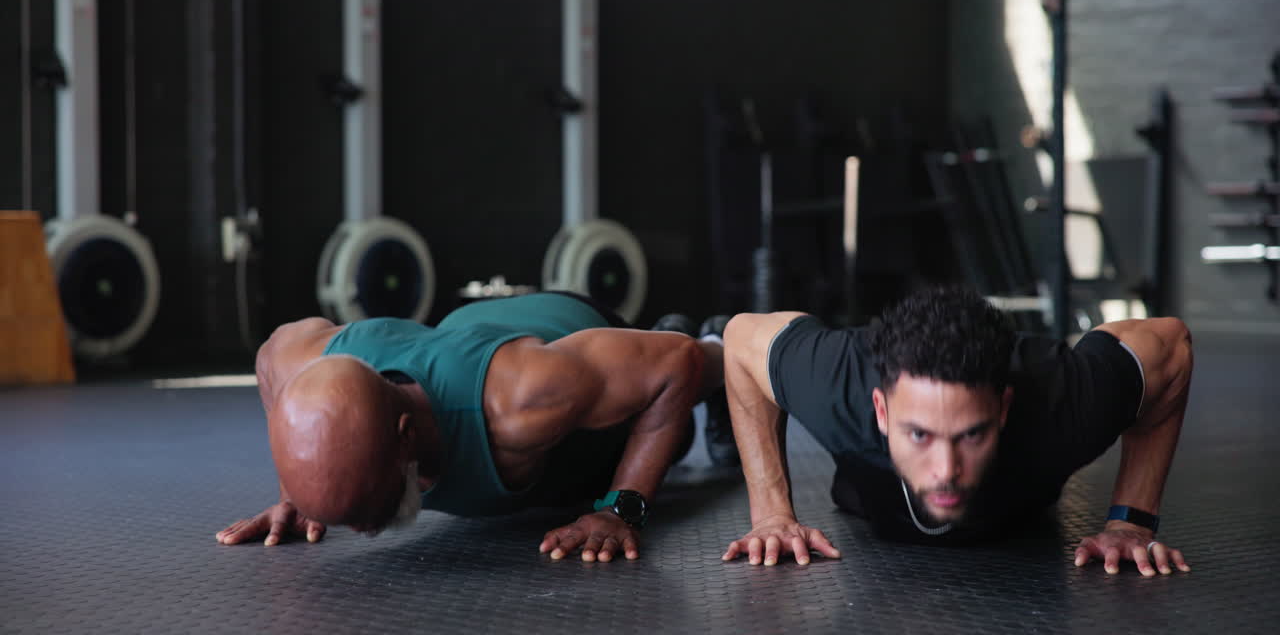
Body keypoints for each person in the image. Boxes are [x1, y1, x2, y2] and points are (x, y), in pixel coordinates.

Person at [215, 292, 727, 563]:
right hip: (471, 327)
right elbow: (268, 358)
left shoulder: (522, 399)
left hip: (564, 336)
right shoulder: (298, 362)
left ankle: (690, 327)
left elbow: (678, 366)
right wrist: (297, 492)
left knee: (674, 427)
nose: (361, 531)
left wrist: (622, 511)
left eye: (369, 508)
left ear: (405, 436)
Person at [720, 286, 1193, 577]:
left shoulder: (1064, 398)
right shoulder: (835, 383)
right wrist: (770, 515)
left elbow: (1170, 344)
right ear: (881, 411)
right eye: (920, 435)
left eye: (971, 435)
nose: (946, 470)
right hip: (866, 499)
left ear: (1003, 408)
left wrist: (1130, 521)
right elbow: (742, 336)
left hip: (1024, 521)